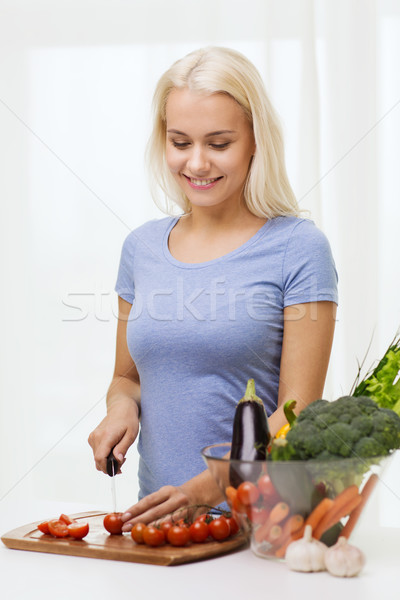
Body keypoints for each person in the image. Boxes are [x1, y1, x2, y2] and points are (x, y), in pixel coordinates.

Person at [88, 46, 338, 532]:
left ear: (254, 142)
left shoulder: (298, 248)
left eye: (218, 143)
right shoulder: (140, 248)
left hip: (262, 529)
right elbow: (127, 378)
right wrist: (121, 408)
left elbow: (298, 413)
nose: (197, 163)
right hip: (160, 525)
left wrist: (207, 488)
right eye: (180, 141)